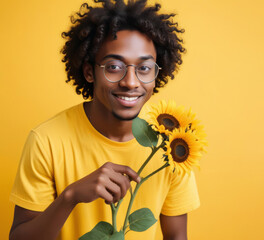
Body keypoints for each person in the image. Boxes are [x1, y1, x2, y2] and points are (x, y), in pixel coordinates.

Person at [9, 0, 200, 239]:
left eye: (144, 68)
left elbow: (176, 236)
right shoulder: (46, 141)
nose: (130, 82)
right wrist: (70, 197)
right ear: (89, 72)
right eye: (114, 66)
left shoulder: (172, 146)